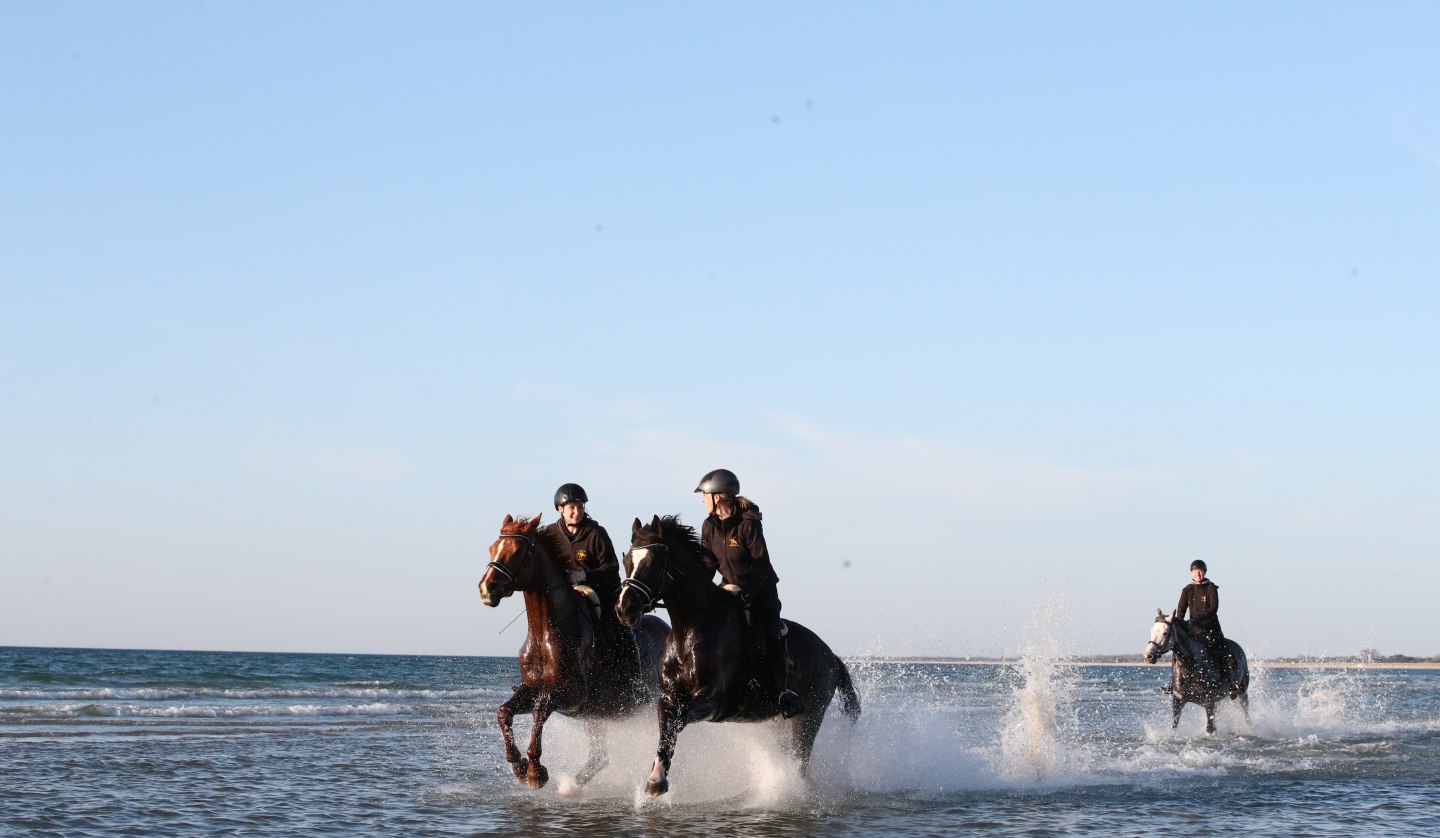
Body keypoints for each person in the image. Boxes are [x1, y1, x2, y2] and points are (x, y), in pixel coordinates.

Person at [694, 468, 802, 718]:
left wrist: (749, 592)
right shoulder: (709, 525)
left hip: (761, 590)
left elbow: (761, 563)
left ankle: (781, 690)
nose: (702, 499)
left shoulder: (748, 523)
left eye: (704, 495)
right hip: (729, 588)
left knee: (770, 631)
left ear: (717, 496)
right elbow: (709, 563)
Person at [540, 483, 638, 673]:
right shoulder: (550, 534)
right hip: (565, 593)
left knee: (615, 629)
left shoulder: (596, 533)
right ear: (560, 509)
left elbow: (612, 567)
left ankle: (631, 673)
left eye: (580, 507)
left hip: (599, 591)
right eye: (571, 507)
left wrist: (585, 575)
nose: (577, 512)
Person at [1175, 559, 1238, 695]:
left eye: (1200, 571)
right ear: (1191, 573)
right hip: (1193, 629)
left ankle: (1231, 683)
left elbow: (1213, 608)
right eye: (1195, 571)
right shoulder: (1187, 590)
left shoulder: (1211, 588)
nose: (1198, 574)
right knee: (1178, 649)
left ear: (1204, 572)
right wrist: (1179, 623)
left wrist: (1199, 618)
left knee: (1223, 651)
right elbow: (1181, 610)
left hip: (1211, 627)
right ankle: (1173, 683)